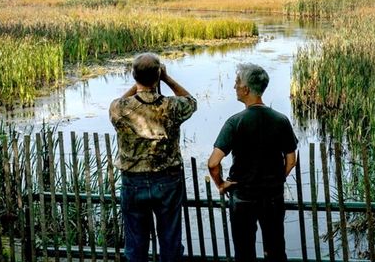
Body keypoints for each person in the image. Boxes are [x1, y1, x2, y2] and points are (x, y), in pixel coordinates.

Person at [109, 53, 197, 262]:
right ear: (158, 74)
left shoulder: (120, 108)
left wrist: (138, 83)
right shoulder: (171, 106)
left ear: (133, 75)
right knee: (170, 241)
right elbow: (191, 101)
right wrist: (166, 79)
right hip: (167, 181)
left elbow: (123, 101)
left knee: (136, 244)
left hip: (133, 181)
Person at [207, 63, 298, 262]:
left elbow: (213, 162)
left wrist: (221, 184)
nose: (234, 87)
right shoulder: (281, 120)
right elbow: (291, 161)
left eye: (237, 83)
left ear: (246, 89)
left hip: (243, 196)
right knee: (275, 250)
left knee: (244, 252)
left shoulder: (235, 122)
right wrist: (276, 179)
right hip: (272, 195)